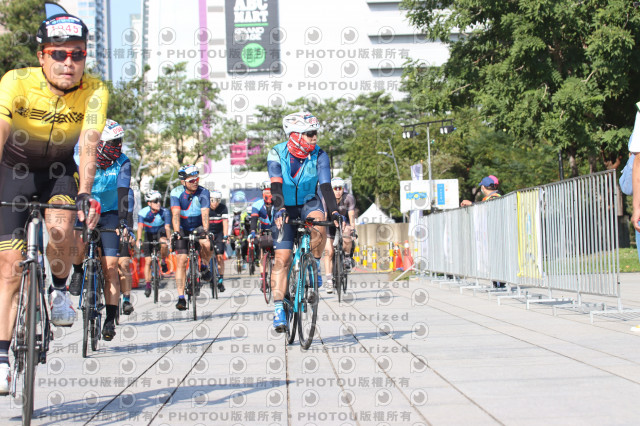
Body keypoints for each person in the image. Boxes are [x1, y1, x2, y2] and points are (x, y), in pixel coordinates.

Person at [0, 13, 106, 393]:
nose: (68, 62)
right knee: (9, 268)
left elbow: (90, 142)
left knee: (61, 228)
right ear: (42, 56)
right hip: (13, 172)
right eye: (58, 54)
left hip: (59, 171)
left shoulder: (95, 90)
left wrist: (85, 191)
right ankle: (2, 359)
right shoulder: (16, 81)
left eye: (77, 54)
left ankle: (59, 291)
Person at [268, 111, 341, 332]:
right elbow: (276, 185)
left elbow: (326, 187)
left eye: (315, 132)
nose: (314, 137)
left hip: (310, 202)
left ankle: (314, 265)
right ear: (295, 135)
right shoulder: (276, 153)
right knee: (282, 258)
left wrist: (335, 212)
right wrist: (280, 209)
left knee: (319, 223)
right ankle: (279, 309)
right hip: (284, 205)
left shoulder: (320, 155)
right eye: (310, 133)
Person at [71, 119, 131, 341]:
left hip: (110, 213)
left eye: (120, 141)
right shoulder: (79, 155)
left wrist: (123, 222)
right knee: (78, 243)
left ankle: (110, 320)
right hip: (85, 209)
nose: (118, 146)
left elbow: (123, 193)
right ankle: (78, 271)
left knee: (111, 267)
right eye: (113, 142)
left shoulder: (123, 162)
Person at [170, 165, 212, 311]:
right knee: (181, 261)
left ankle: (204, 266)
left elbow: (205, 214)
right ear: (183, 181)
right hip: (182, 227)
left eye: (197, 179)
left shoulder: (204, 192)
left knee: (207, 243)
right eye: (192, 180)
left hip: (198, 225)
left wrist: (205, 230)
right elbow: (175, 214)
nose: (195, 182)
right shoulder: (176, 193)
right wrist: (176, 232)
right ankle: (181, 298)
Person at [460, 175, 503, 288]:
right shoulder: (496, 197)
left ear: (483, 187)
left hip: (494, 233)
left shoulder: (494, 198)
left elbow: (487, 209)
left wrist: (472, 204)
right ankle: (497, 282)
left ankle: (499, 283)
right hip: (493, 232)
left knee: (495, 258)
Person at [323, 177, 357, 294]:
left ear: (343, 189)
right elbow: (325, 215)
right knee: (329, 252)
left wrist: (353, 228)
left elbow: (351, 215)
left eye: (340, 188)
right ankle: (329, 281)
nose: (338, 191)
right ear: (331, 189)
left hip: (343, 223)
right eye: (335, 188)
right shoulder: (326, 199)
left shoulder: (348, 198)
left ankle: (347, 257)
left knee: (348, 232)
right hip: (329, 224)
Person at [137, 190, 171, 298]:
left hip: (160, 232)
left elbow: (167, 227)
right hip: (149, 234)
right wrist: (138, 239)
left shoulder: (165, 212)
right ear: (149, 203)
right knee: (148, 261)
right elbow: (140, 227)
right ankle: (147, 285)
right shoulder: (143, 212)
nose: (158, 203)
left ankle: (163, 260)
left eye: (159, 201)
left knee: (164, 243)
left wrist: (169, 239)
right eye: (155, 201)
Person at [249, 183, 274, 279]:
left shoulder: (278, 203)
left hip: (276, 231)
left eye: (270, 191)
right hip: (264, 231)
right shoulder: (257, 204)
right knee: (262, 254)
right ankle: (264, 278)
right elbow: (254, 220)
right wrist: (252, 232)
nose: (268, 194)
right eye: (266, 192)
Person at [208, 190, 227, 292]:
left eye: (217, 200)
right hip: (208, 233)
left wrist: (226, 236)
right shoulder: (205, 207)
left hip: (219, 234)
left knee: (220, 257)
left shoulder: (223, 208)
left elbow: (225, 223)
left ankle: (220, 279)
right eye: (212, 200)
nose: (215, 203)